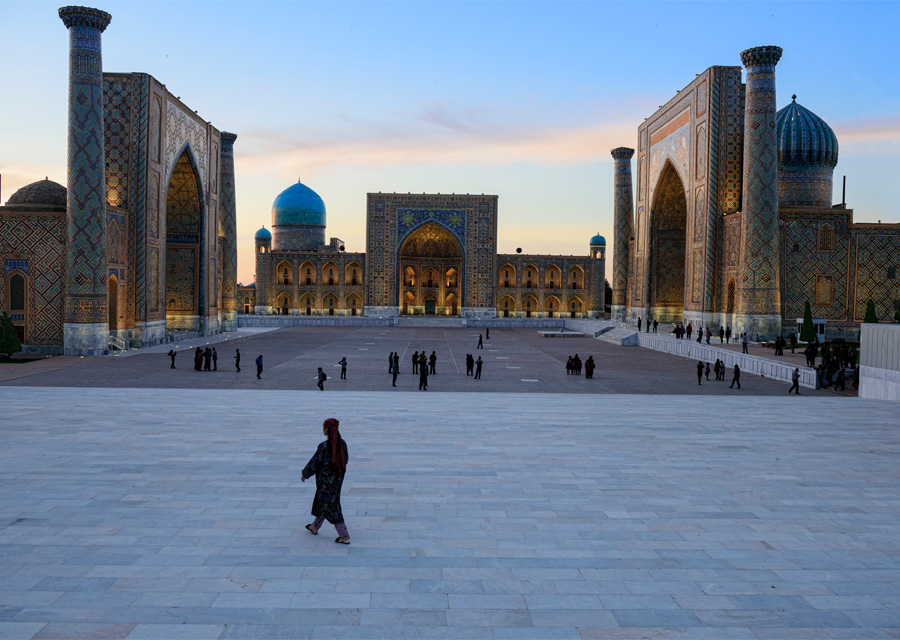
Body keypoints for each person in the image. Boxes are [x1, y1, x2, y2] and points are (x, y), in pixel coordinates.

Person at [302, 418, 350, 544]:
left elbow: (315, 463)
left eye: (323, 427)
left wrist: (305, 475)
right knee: (323, 502)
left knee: (332, 506)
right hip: (338, 481)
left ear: (327, 429)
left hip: (324, 483)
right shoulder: (343, 444)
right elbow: (346, 460)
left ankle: (344, 535)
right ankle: (314, 526)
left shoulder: (323, 446)